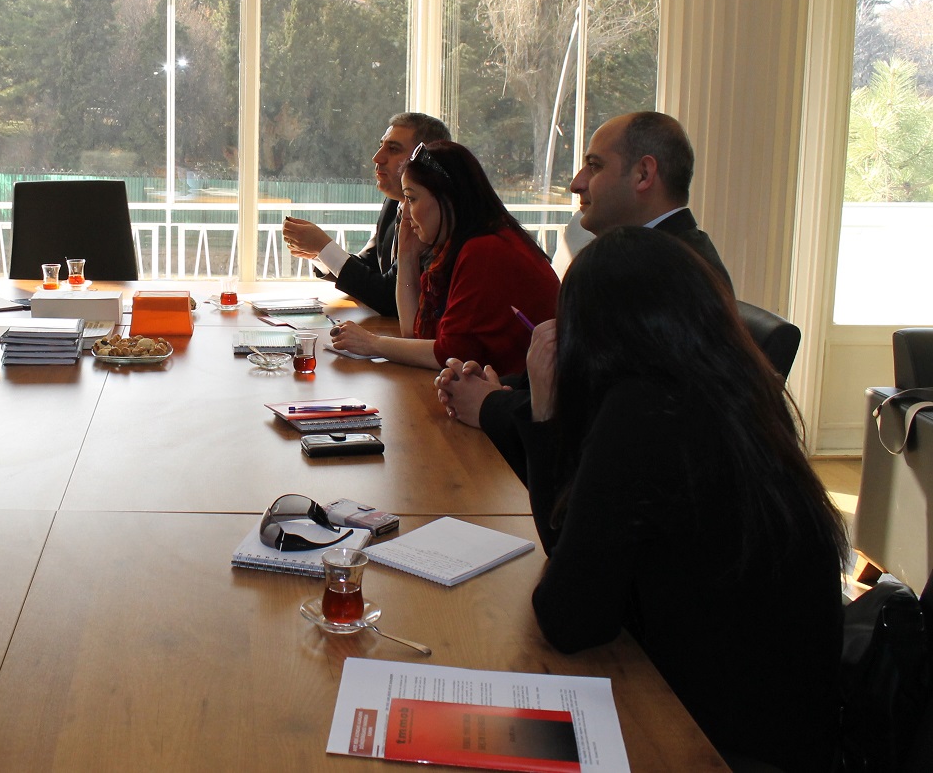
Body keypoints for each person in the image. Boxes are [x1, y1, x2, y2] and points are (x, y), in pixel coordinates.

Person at [523, 227, 845, 773]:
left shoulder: (643, 414)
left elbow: (568, 619)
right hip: (787, 726)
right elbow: (573, 549)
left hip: (717, 742)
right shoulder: (738, 391)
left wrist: (544, 413)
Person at [437, 111, 731, 476]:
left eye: (594, 166)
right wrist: (491, 387)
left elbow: (589, 419)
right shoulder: (670, 256)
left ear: (644, 174)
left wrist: (489, 405)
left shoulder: (652, 276)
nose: (577, 183)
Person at [328, 141, 558, 375]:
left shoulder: (486, 250)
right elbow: (415, 334)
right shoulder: (459, 246)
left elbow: (448, 353)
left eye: (412, 198)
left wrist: (371, 343)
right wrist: (407, 257)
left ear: (448, 198)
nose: (405, 214)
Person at [282, 112, 449, 316]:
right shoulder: (393, 203)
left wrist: (324, 247)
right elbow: (369, 268)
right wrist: (319, 254)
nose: (377, 157)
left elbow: (389, 297)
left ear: (423, 159)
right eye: (381, 146)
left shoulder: (432, 218)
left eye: (393, 149)